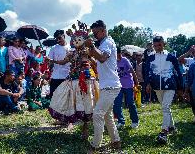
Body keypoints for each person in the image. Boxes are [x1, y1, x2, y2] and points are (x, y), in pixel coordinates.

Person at [49, 22, 98, 139]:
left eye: (79, 39)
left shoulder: (88, 51)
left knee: (86, 104)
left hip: (85, 81)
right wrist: (53, 61)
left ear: (85, 40)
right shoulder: (71, 52)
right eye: (75, 39)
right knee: (70, 101)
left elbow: (96, 64)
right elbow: (64, 61)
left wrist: (89, 59)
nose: (76, 41)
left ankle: (85, 128)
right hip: (73, 80)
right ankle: (69, 121)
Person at [85, 20, 121, 150]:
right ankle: (116, 141)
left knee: (98, 114)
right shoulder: (104, 43)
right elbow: (98, 62)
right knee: (107, 115)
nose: (95, 36)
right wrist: (89, 56)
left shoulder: (107, 42)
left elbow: (102, 58)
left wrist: (92, 47)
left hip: (111, 85)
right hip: (108, 85)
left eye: (96, 33)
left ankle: (95, 145)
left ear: (103, 31)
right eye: (93, 33)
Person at [145, 36, 183, 144]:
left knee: (165, 107)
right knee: (165, 107)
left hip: (170, 85)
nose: (157, 47)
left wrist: (180, 87)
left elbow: (178, 72)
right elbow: (147, 72)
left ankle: (164, 132)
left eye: (159, 45)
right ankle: (172, 127)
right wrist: (147, 84)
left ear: (164, 44)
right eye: (155, 45)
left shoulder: (171, 57)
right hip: (157, 86)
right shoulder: (150, 57)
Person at [113, 47, 139, 129]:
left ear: (120, 53)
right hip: (118, 86)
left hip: (128, 85)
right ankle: (121, 121)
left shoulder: (125, 60)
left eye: (117, 54)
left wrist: (137, 83)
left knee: (130, 103)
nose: (116, 56)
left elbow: (133, 71)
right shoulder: (113, 61)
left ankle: (135, 121)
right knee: (117, 104)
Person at [46, 30, 70, 100]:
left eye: (59, 38)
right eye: (56, 39)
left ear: (64, 36)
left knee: (65, 99)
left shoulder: (70, 48)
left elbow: (65, 62)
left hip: (66, 76)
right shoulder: (53, 48)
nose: (58, 40)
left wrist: (52, 61)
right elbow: (50, 65)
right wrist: (48, 62)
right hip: (55, 77)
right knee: (53, 98)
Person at [186, 46, 195, 124]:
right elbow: (189, 79)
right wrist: (187, 90)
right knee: (194, 105)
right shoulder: (193, 65)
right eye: (194, 52)